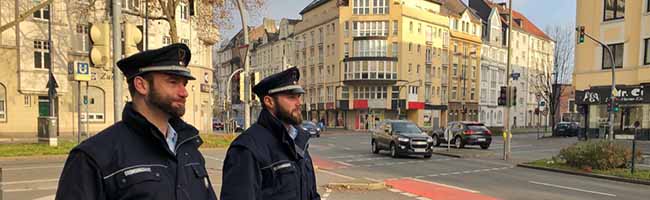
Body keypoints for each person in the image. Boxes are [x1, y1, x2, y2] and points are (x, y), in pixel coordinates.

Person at [55, 43, 218, 200]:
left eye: (184, 84)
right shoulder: (94, 156)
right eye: (173, 82)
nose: (184, 92)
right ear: (141, 85)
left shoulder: (188, 148)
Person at [220, 67, 320, 200]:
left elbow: (311, 194)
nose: (298, 103)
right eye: (291, 97)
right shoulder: (247, 149)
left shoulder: (299, 141)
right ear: (269, 101)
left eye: (298, 96)